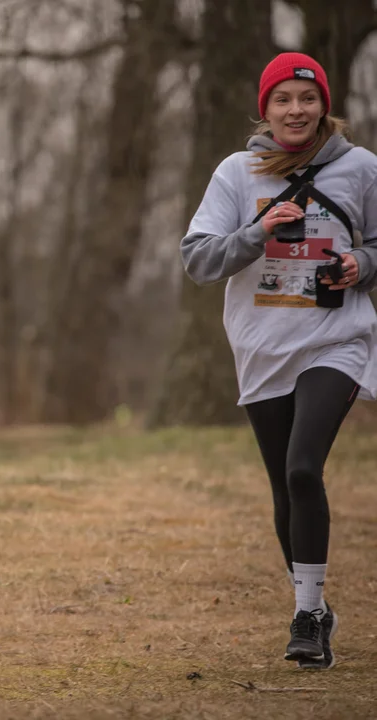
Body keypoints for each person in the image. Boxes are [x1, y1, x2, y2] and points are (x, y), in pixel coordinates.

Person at [181, 52, 377, 670]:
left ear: (325, 106)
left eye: (308, 98)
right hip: (263, 347)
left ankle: (305, 615)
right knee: (283, 489)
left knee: (301, 469)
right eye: (284, 99)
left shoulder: (362, 169)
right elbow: (199, 260)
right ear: (265, 109)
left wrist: (362, 265)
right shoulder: (237, 173)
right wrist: (258, 231)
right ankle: (316, 607)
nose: (297, 110)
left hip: (335, 339)